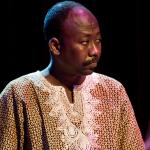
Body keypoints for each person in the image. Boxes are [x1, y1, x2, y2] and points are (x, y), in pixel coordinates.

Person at [0, 1, 145, 149]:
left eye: (98, 40)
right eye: (84, 42)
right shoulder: (19, 93)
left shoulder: (113, 91)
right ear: (55, 46)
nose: (94, 51)